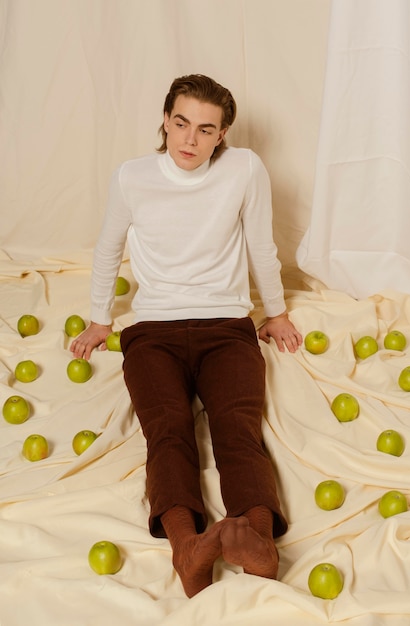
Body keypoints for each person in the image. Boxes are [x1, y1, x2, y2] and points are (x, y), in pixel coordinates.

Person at [71, 74, 302, 597]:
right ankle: (187, 548)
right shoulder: (132, 177)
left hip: (227, 329)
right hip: (153, 332)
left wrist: (276, 312)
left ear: (222, 134)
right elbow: (109, 248)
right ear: (166, 120)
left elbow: (261, 246)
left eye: (205, 129)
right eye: (181, 124)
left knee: (237, 429)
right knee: (168, 431)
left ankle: (259, 542)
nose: (189, 140)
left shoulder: (244, 169)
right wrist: (100, 319)